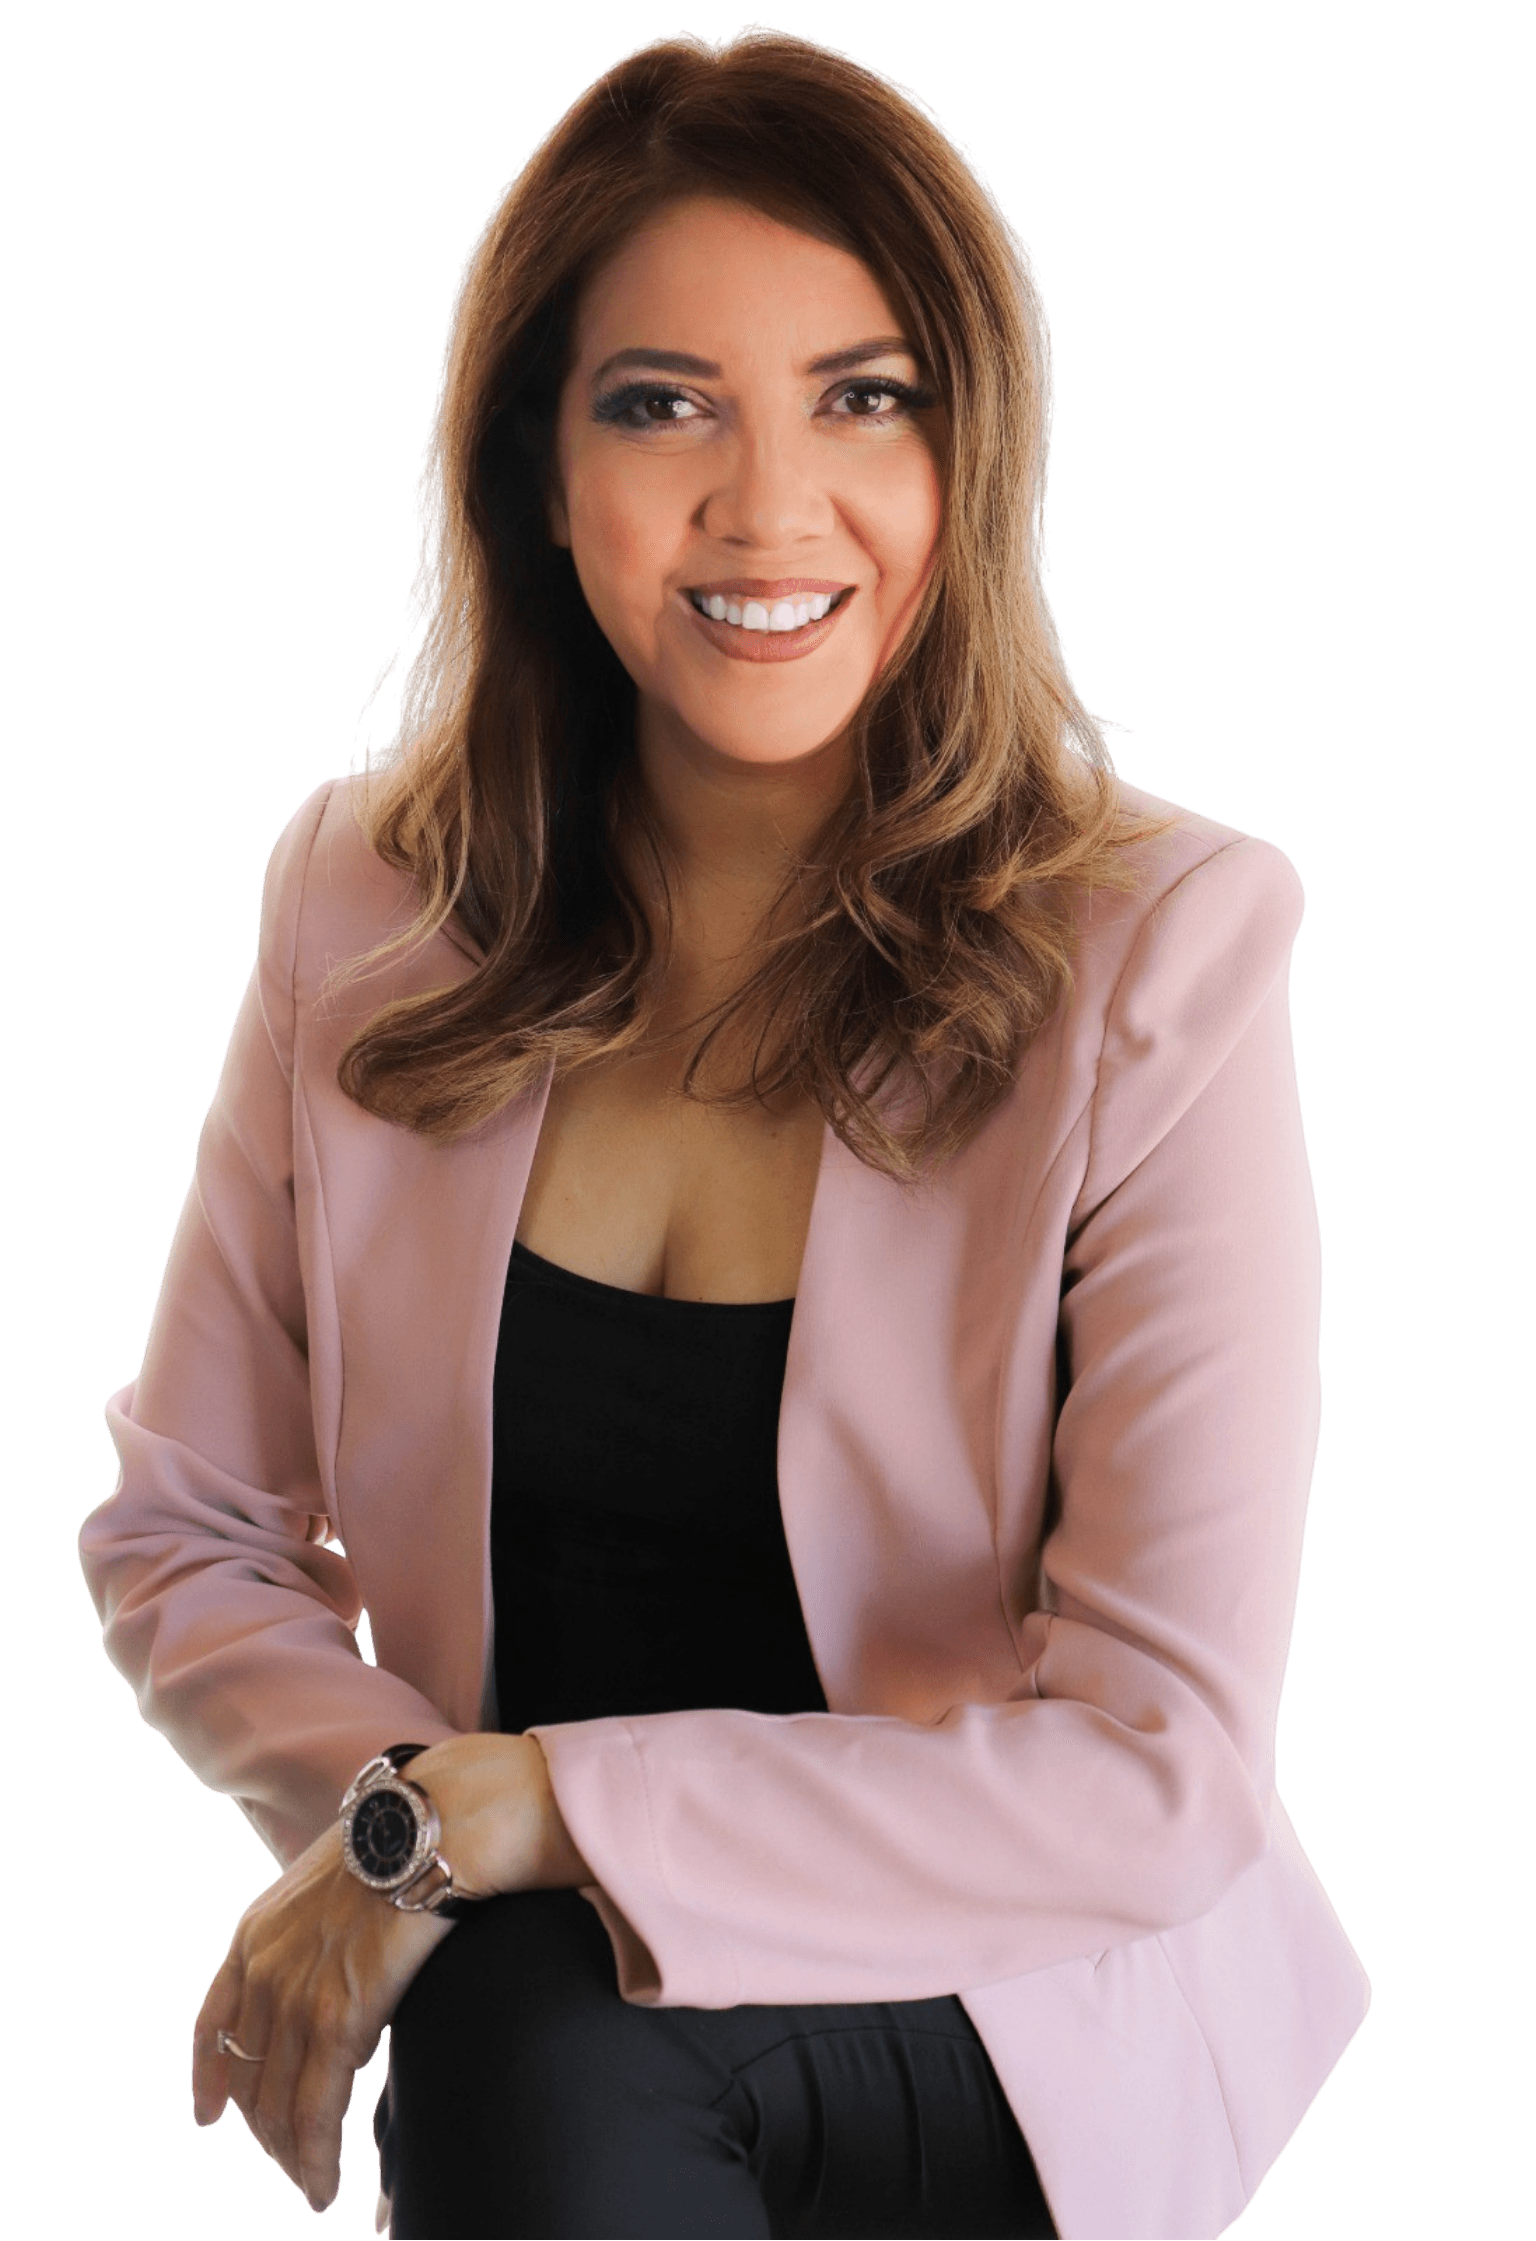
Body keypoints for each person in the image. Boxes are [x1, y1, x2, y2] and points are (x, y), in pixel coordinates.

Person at [76, 26, 1371, 2241]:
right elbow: (182, 1535)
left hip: (1005, 2008)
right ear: (536, 468)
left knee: (517, 2013)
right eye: (661, 403)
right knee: (528, 2013)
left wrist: (520, 1816)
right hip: (555, 2026)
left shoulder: (1160, 951)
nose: (769, 510)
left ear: (972, 454)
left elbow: (1155, 1775)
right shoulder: (358, 903)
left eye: (865, 398)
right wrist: (421, 1816)